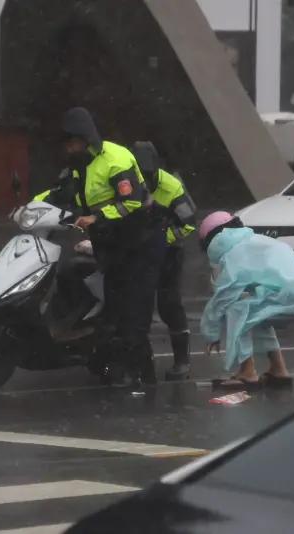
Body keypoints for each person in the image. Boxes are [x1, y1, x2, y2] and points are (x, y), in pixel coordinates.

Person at [36, 107, 165, 386]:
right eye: (66, 142)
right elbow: (58, 193)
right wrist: (31, 208)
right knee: (115, 306)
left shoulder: (115, 159)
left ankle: (142, 376)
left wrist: (96, 217)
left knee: (134, 309)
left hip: (140, 239)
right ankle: (114, 363)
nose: (69, 147)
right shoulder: (76, 167)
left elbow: (131, 202)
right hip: (112, 243)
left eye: (73, 141)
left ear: (86, 138)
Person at [198, 211, 294, 390]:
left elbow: (223, 298)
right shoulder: (257, 241)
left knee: (237, 309)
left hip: (291, 295)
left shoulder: (235, 253)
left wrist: (211, 333)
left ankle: (247, 373)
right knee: (258, 312)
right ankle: (278, 370)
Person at [132, 141, 197, 381]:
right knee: (138, 307)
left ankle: (182, 361)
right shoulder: (126, 181)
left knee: (169, 304)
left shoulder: (172, 186)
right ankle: (140, 362)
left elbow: (189, 223)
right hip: (137, 251)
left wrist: (162, 239)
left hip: (168, 252)